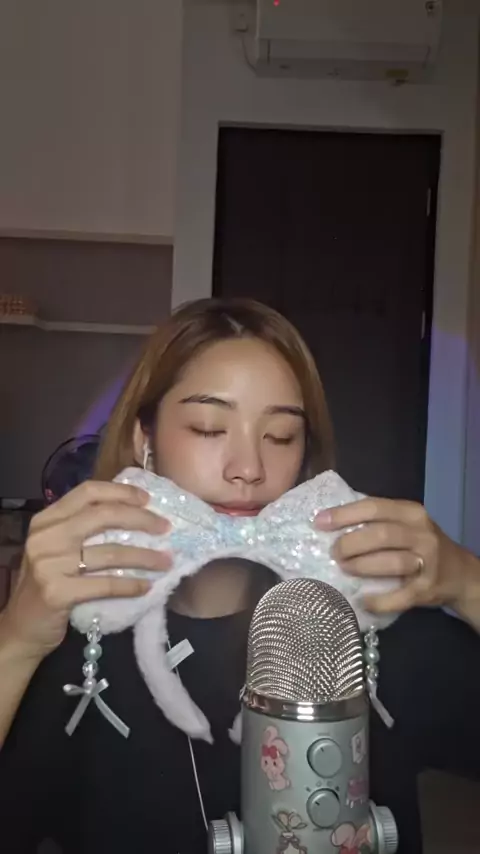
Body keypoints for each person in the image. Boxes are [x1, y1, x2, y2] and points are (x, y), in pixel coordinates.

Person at [0, 298, 479, 854]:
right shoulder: (78, 651)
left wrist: (468, 581)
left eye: (280, 435)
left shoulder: (364, 632)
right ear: (144, 441)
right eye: (208, 428)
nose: (248, 469)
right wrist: (15, 639)